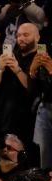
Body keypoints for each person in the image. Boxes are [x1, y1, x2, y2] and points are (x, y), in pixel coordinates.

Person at [0, 23, 39, 147]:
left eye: (26, 35)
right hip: (4, 117)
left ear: (37, 37)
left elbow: (33, 88)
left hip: (27, 121)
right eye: (18, 35)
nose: (21, 38)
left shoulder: (41, 59)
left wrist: (17, 70)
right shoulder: (12, 55)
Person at [30, 39, 52, 168]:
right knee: (43, 157)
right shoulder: (46, 41)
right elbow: (34, 89)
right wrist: (32, 71)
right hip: (45, 106)